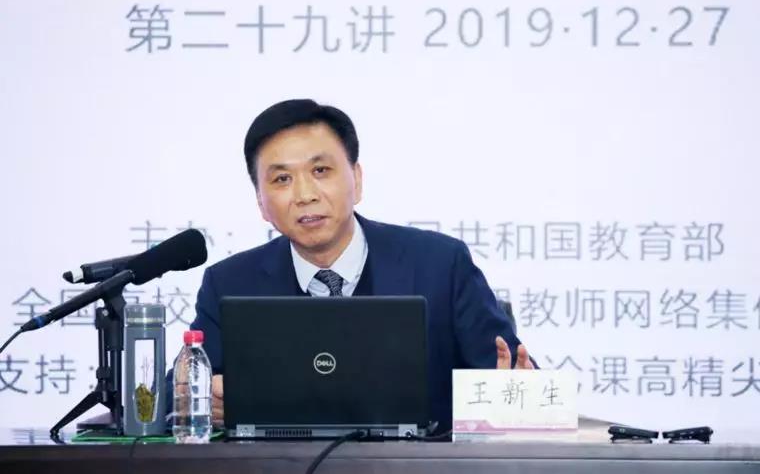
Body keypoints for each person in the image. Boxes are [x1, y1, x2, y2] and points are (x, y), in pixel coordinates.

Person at [188, 99, 535, 433]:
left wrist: (516, 397)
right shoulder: (229, 283)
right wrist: (202, 399)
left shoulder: (441, 266)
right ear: (261, 203)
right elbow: (184, 395)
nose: (305, 194)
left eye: (320, 171)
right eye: (282, 179)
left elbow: (518, 384)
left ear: (357, 180)